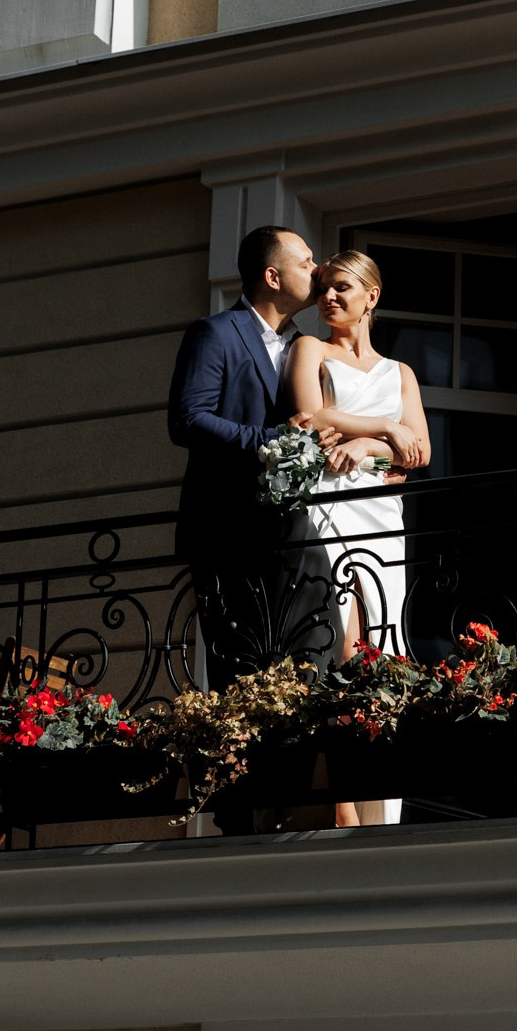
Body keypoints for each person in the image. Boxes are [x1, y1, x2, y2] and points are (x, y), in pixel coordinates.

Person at [285, 250, 433, 827]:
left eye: (342, 287)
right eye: (322, 287)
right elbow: (307, 417)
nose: (329, 297)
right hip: (327, 507)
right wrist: (385, 429)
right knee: (340, 648)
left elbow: (420, 451)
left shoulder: (401, 373)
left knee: (381, 653)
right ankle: (342, 804)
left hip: (379, 514)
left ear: (372, 296)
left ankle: (379, 807)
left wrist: (371, 446)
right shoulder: (310, 349)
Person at [167, 226, 337, 700]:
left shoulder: (305, 348)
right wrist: (270, 440)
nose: (317, 269)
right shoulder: (215, 332)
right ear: (272, 276)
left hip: (287, 534)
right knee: (240, 679)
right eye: (305, 262)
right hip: (227, 530)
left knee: (308, 659)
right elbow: (187, 420)